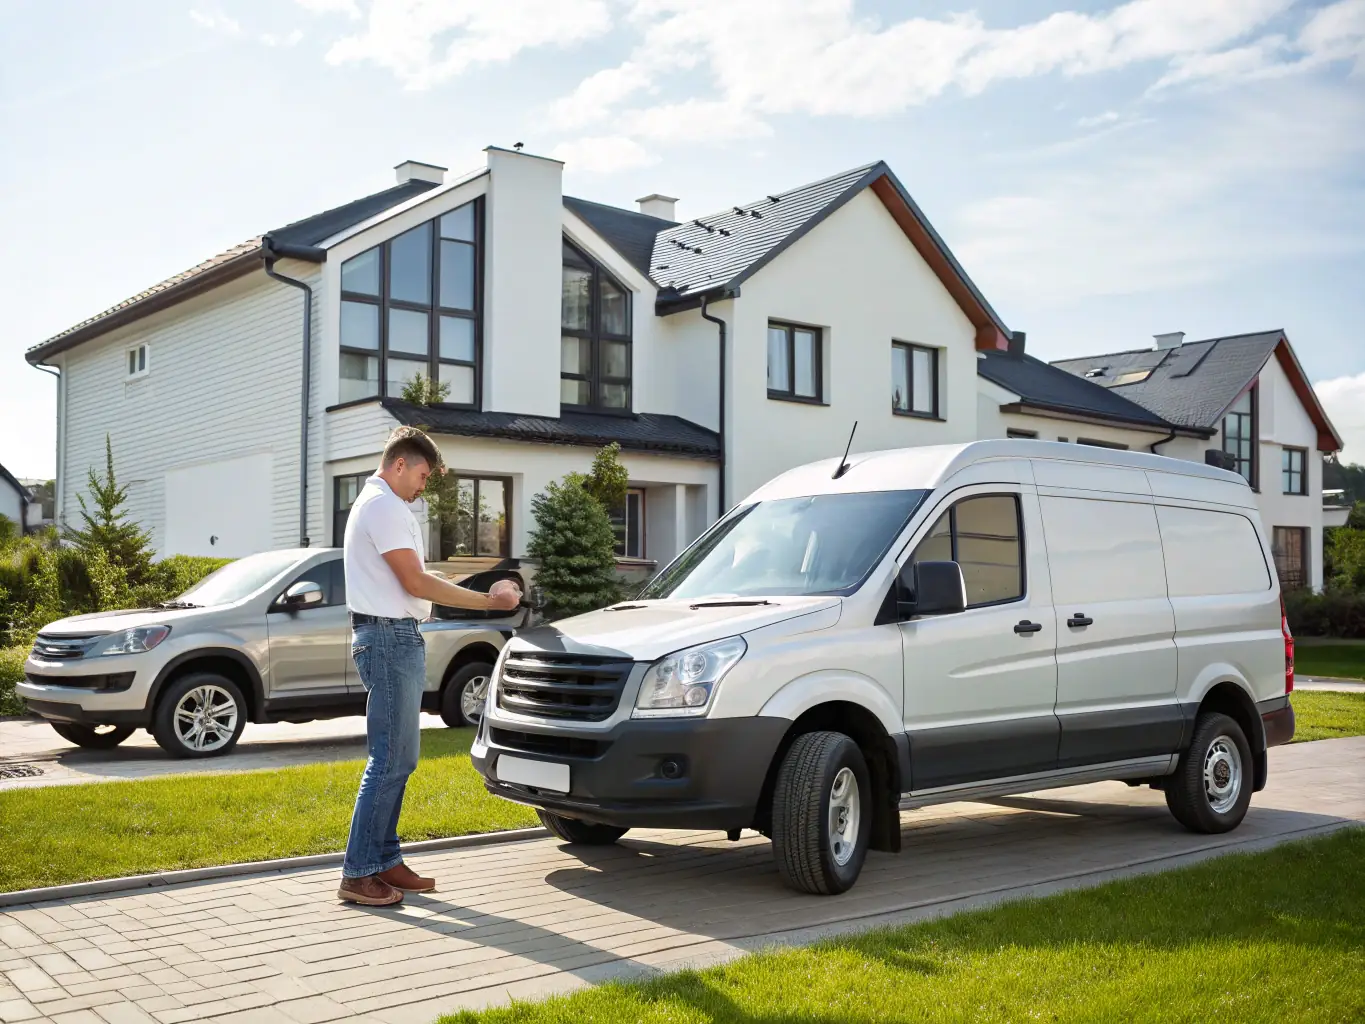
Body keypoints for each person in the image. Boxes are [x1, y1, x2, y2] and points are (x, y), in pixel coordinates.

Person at [338, 426, 521, 907]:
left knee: (401, 758)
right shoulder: (382, 506)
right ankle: (358, 874)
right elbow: (417, 582)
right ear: (399, 465)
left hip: (392, 636)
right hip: (388, 638)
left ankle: (384, 860)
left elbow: (422, 577)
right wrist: (489, 602)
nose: (424, 487)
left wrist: (484, 586)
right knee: (389, 759)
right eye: (421, 475)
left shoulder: (386, 506)